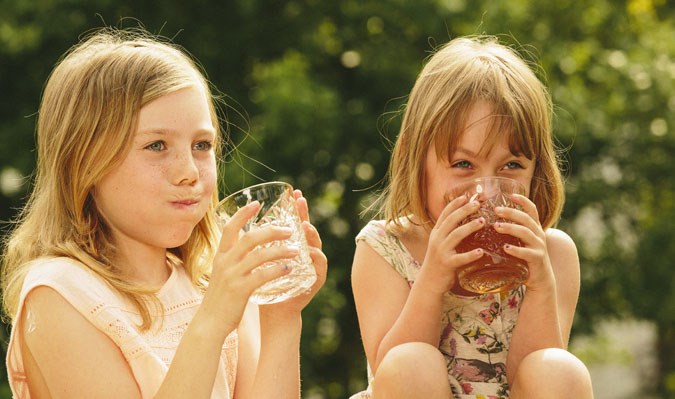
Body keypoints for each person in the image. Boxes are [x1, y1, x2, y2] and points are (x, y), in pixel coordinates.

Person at [1, 27, 327, 398]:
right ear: (85, 161)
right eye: (156, 145)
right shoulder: (60, 293)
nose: (189, 170)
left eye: (202, 145)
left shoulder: (208, 279)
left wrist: (282, 317)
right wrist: (213, 321)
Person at [350, 36, 594, 399]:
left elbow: (533, 380)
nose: (485, 191)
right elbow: (394, 378)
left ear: (536, 171)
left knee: (560, 369)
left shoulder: (551, 254)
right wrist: (431, 278)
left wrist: (540, 283)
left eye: (511, 166)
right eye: (464, 164)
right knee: (410, 360)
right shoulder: (385, 249)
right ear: (417, 162)